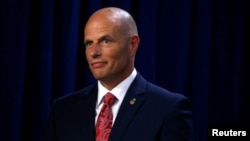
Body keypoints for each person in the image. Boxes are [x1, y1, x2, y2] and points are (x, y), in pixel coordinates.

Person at [43, 7, 194, 141]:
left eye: (106, 41)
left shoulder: (167, 108)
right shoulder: (63, 110)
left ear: (132, 45)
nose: (93, 52)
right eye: (89, 43)